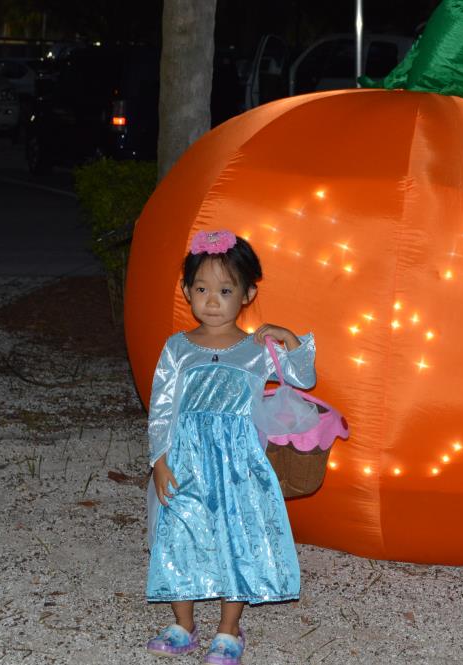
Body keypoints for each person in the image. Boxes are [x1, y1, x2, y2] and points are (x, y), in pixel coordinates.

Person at [144, 229, 315, 663]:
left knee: (234, 538)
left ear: (247, 293)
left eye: (224, 290)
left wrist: (289, 339)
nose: (212, 300)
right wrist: (159, 460)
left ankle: (229, 628)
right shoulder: (177, 348)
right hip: (185, 459)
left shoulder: (256, 350)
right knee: (180, 533)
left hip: (238, 464)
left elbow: (303, 379)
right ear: (186, 292)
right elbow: (161, 408)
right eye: (201, 289)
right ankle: (183, 622)